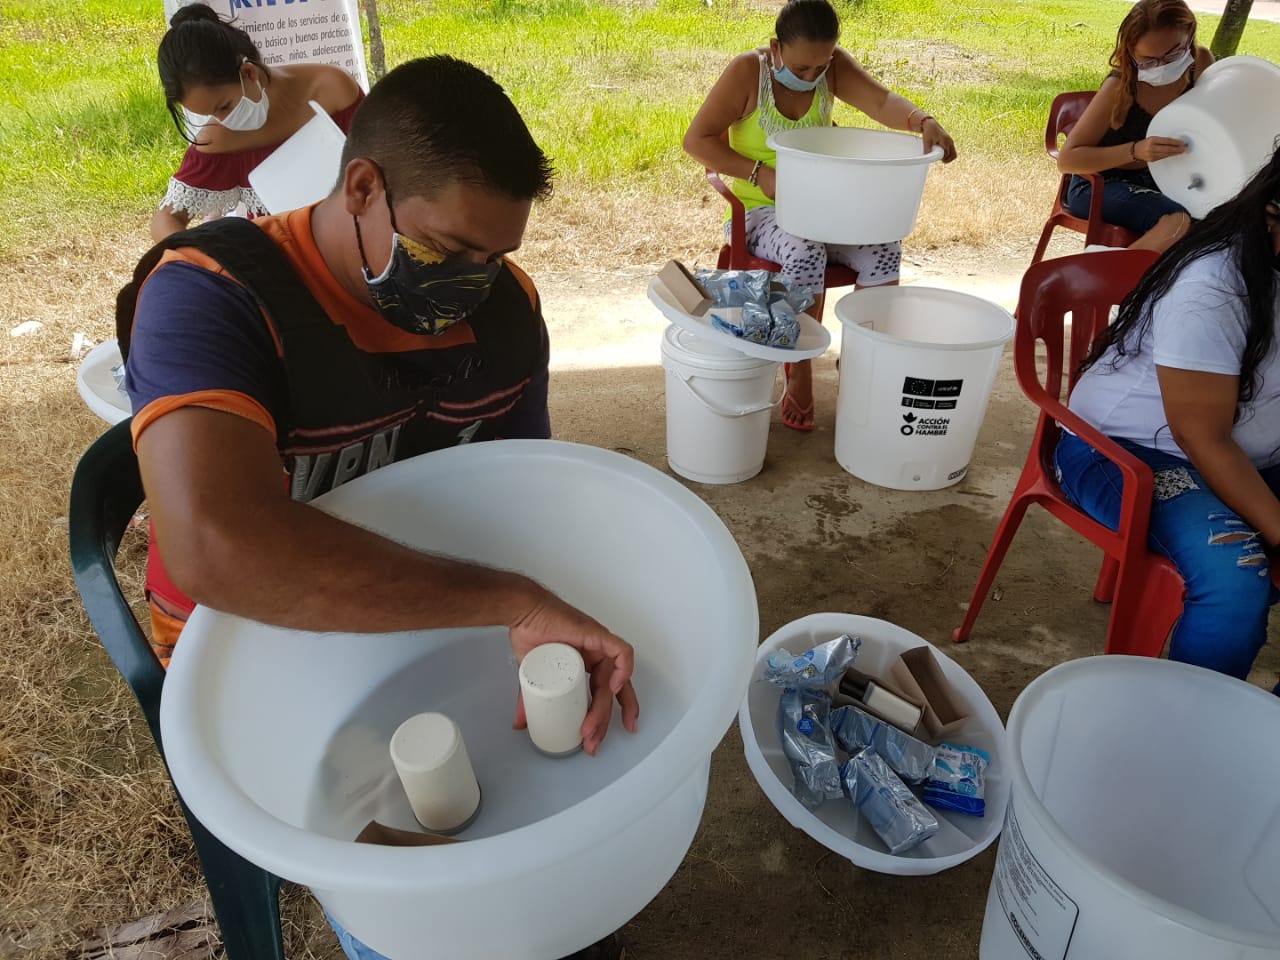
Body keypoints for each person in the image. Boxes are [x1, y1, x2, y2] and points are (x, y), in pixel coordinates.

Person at [120, 55, 637, 959]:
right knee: (420, 905)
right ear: (362, 186)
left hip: (414, 590)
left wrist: (547, 612)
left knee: (545, 832)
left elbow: (527, 492)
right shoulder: (216, 294)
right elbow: (215, 548)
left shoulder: (502, 311)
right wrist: (508, 602)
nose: (470, 279)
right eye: (448, 249)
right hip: (245, 638)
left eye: (496, 255)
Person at [1056, 143, 1280, 695]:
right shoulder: (1215, 286)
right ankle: (1181, 735)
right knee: (1234, 581)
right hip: (1129, 449)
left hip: (1245, 448)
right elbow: (1202, 438)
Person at [683, 0, 956, 432]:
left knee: (884, 248)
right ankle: (802, 364)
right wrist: (759, 173)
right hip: (762, 214)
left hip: (826, 207)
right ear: (776, 48)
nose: (811, 77)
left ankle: (866, 355)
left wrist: (922, 120)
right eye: (801, 67)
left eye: (821, 67)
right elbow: (697, 139)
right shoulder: (747, 73)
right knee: (805, 250)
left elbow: (880, 101)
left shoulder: (833, 68)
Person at [150, 2, 365, 240]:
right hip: (284, 260)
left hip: (361, 238)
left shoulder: (331, 89)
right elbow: (166, 219)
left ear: (249, 73)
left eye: (224, 106)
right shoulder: (220, 140)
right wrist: (199, 258)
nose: (224, 120)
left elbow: (382, 160)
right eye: (212, 114)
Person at [1057, 0, 1213, 254]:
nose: (1162, 67)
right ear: (1130, 52)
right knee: (1176, 223)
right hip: (1099, 184)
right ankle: (1114, 286)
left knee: (1226, 216)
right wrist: (1136, 151)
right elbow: (1068, 160)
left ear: (1190, 35)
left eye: (1174, 54)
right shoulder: (1120, 87)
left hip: (1166, 178)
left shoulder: (1200, 63)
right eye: (1149, 61)